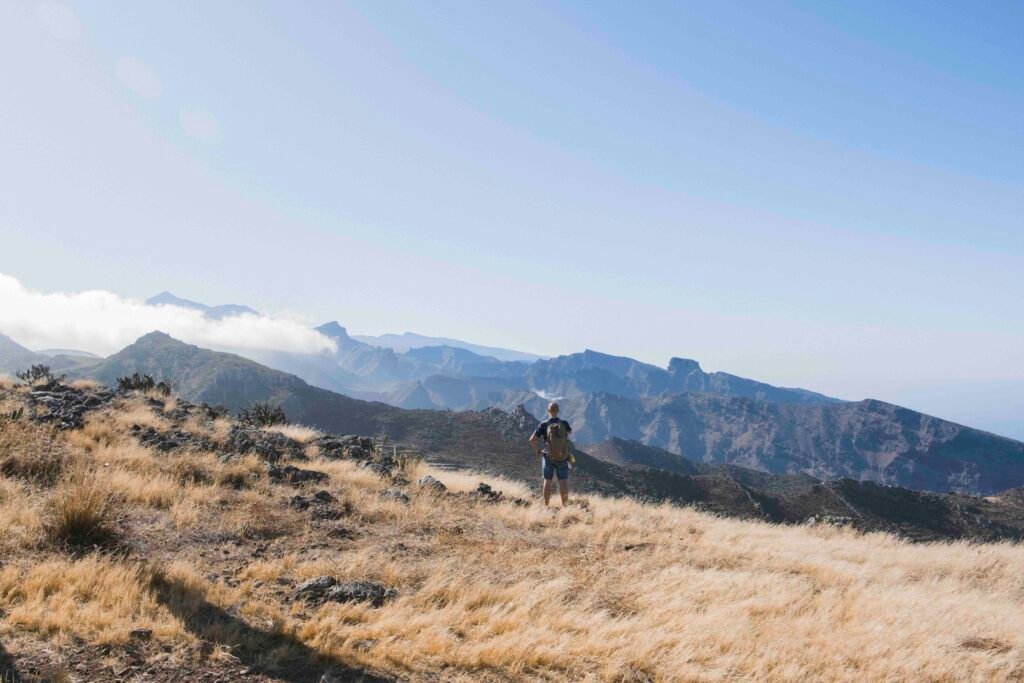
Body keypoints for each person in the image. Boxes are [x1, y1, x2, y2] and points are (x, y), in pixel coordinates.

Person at [528, 401, 573, 506]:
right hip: (562, 456)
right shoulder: (564, 423)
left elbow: (531, 440)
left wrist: (537, 451)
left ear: (548, 411)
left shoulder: (543, 424)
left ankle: (546, 505)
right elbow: (569, 433)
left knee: (547, 481)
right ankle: (565, 507)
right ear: (558, 411)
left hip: (548, 456)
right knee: (563, 482)